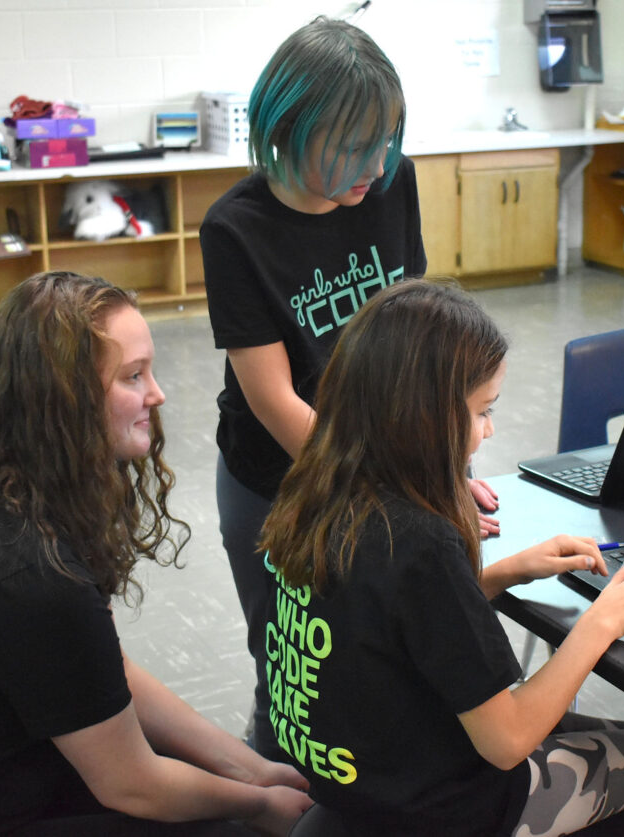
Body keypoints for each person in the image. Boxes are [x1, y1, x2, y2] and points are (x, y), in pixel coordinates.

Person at [0, 271, 312, 835]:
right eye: (133, 376)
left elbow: (109, 671)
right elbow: (132, 784)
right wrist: (259, 806)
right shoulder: (31, 571)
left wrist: (252, 769)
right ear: (64, 401)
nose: (157, 394)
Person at [258, 279, 624, 837]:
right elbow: (508, 740)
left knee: (600, 736)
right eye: (481, 411)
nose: (489, 429)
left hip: (358, 779)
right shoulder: (421, 541)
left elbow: (390, 620)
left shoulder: (316, 492)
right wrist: (602, 622)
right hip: (448, 809)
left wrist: (505, 572)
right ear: (422, 417)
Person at [202, 15, 499, 758]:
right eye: (353, 145)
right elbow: (274, 400)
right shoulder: (235, 228)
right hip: (279, 477)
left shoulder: (393, 184)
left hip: (382, 470)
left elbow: (418, 344)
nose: (376, 164)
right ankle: (278, 789)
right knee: (292, 671)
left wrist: (438, 466)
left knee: (381, 663)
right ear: (289, 128)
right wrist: (399, 484)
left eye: (386, 139)